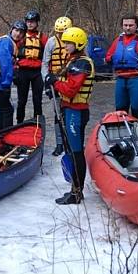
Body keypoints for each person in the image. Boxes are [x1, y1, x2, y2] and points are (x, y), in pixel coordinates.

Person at [45, 27, 94, 205]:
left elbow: (72, 90)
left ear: (78, 44)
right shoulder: (73, 61)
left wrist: (55, 82)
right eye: (64, 42)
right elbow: (61, 78)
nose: (65, 46)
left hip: (76, 111)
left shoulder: (82, 63)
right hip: (69, 109)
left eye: (68, 43)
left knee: (76, 151)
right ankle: (74, 189)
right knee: (71, 150)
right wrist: (52, 80)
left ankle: (76, 192)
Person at [105, 16, 138, 121]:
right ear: (122, 26)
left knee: (137, 108)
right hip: (121, 78)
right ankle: (123, 132)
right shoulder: (118, 40)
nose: (128, 28)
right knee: (120, 109)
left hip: (137, 77)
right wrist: (111, 58)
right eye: (125, 25)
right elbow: (108, 56)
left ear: (136, 26)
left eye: (131, 25)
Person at [42, 16, 73, 156]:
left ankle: (71, 142)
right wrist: (47, 83)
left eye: (63, 32)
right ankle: (59, 144)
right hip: (55, 82)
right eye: (59, 32)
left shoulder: (75, 41)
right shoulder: (51, 42)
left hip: (70, 82)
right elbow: (45, 63)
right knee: (57, 115)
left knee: (71, 114)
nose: (61, 35)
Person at [14, 9, 48, 123]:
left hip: (37, 72)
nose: (30, 23)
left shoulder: (42, 37)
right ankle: (19, 122)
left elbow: (48, 54)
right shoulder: (21, 36)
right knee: (21, 100)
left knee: (37, 100)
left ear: (37, 22)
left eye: (32, 21)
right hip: (23, 71)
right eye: (28, 21)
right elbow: (12, 53)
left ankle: (37, 122)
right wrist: (14, 70)